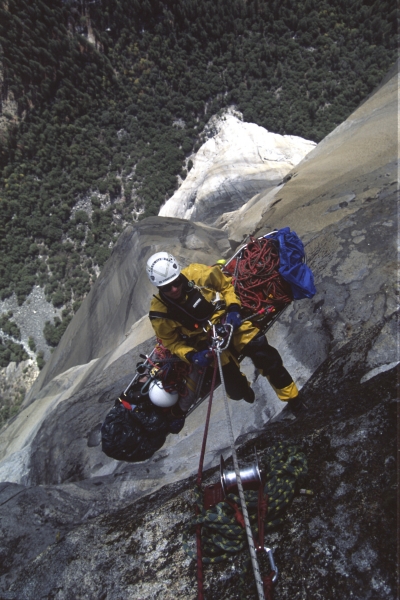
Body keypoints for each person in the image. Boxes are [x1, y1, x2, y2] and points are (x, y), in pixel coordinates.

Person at [146, 252, 302, 416]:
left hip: (227, 323)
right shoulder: (160, 314)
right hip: (208, 344)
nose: (174, 289)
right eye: (167, 288)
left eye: (176, 282)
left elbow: (226, 286)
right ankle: (244, 389)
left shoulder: (197, 274)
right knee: (234, 390)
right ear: (159, 288)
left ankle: (293, 399)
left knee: (265, 355)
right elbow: (172, 343)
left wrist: (233, 308)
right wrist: (192, 356)